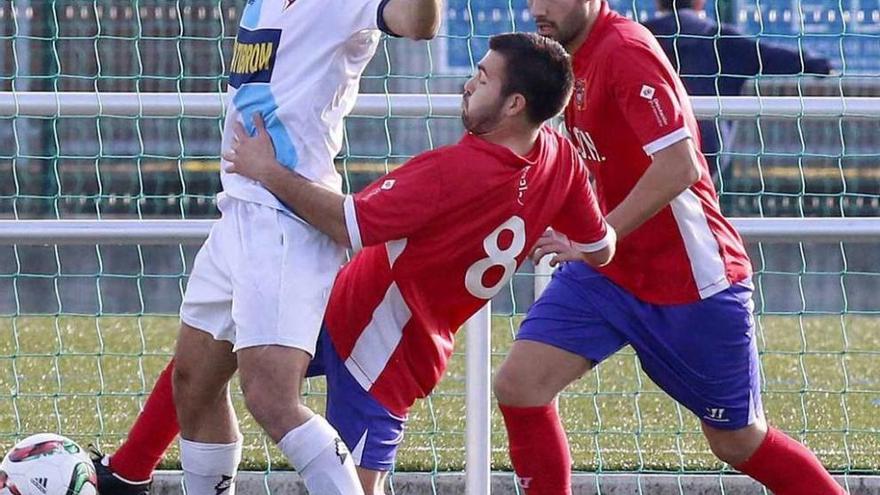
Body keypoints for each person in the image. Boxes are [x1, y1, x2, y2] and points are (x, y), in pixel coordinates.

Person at [94, 32, 616, 495]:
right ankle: (130, 470)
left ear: (513, 105)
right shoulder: (560, 158)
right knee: (209, 351)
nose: (467, 85)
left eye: (481, 79)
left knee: (355, 482)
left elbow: (347, 223)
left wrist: (268, 170)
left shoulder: (452, 171)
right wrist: (577, 248)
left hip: (385, 350)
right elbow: (603, 246)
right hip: (348, 303)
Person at [88, 1, 442, 494]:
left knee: (272, 398)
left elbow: (420, 25)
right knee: (193, 384)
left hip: (286, 223)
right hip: (235, 210)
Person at [491, 1, 845, 494]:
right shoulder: (566, 57)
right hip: (608, 272)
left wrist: (598, 236)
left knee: (737, 441)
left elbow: (681, 165)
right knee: (520, 386)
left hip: (690, 279)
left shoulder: (626, 50)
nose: (538, 8)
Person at [643, 0, 832, 177]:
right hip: (706, 151)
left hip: (648, 146)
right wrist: (819, 65)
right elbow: (773, 57)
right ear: (700, 2)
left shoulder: (640, 38)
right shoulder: (722, 41)